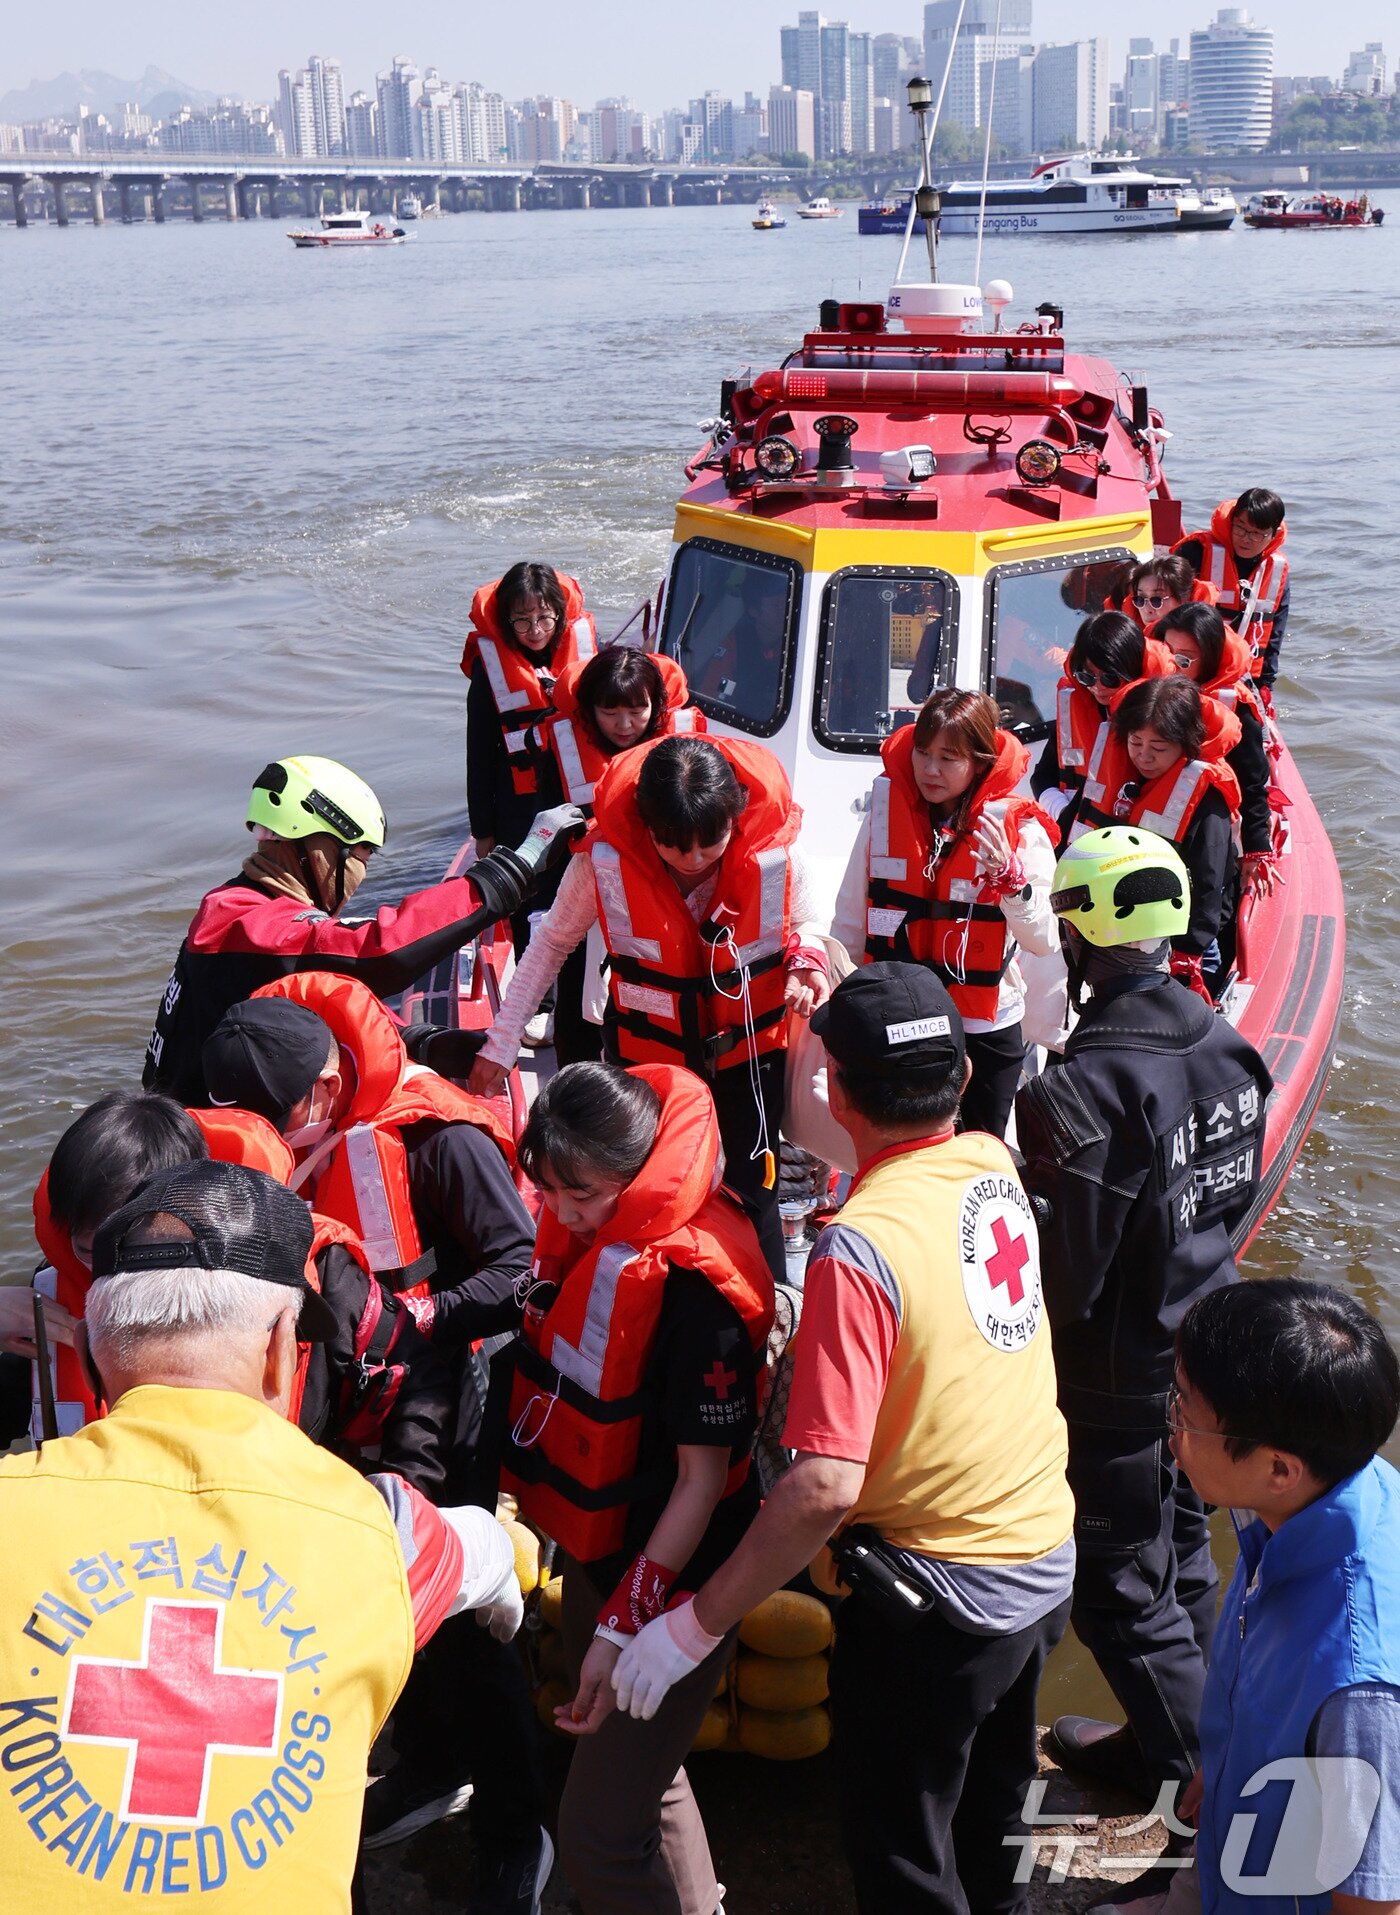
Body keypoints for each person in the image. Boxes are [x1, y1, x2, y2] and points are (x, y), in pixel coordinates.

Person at [611, 964, 1077, 1915]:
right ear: (957, 1079)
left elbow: (822, 1484)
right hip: (1045, 1558)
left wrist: (693, 1627)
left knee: (902, 1848)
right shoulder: (991, 1161)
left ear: (837, 1085)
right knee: (994, 1817)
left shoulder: (858, 1248)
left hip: (941, 1605)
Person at [0, 1159, 525, 1911]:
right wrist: (502, 1600)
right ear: (285, 1347)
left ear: (90, 1358)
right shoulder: (379, 1535)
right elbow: (487, 1552)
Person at [199, 982, 551, 1885]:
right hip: (340, 1400)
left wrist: (422, 1314)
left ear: (323, 1089)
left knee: (460, 1615)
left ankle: (516, 1831)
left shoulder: (438, 1140)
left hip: (441, 1387)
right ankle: (431, 1765)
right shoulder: (254, 1161)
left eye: (271, 1116)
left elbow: (520, 1269)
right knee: (370, 1601)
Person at [1014, 830, 1271, 1886]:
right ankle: (1167, 1739)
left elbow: (1064, 1282)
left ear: (1075, 934)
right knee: (1178, 1557)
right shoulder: (1227, 1046)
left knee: (1117, 1590)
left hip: (1113, 1381)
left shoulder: (1077, 1089)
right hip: (1200, 1353)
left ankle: (1214, 1796)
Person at [498, 1061, 774, 1915]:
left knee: (594, 1835)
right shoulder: (597, 1243)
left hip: (675, 1578)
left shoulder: (700, 1291)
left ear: (637, 1166)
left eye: (578, 1193)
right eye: (545, 1189)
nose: (560, 1213)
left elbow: (699, 1485)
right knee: (647, 1777)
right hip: (601, 1547)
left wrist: (624, 1626)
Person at [470, 734, 831, 1279]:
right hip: (649, 1070)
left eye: (710, 844)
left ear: (735, 815)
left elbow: (809, 923)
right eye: (673, 846)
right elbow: (550, 946)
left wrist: (808, 959)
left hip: (748, 1064)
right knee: (645, 1195)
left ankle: (768, 1310)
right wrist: (500, 1044)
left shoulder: (779, 856)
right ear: (645, 826)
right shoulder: (602, 863)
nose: (693, 861)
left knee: (754, 1194)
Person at [142, 752, 581, 1105]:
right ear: (317, 848)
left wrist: (430, 1045)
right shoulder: (242, 924)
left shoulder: (235, 906)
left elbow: (327, 992)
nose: (360, 877)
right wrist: (515, 869)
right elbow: (376, 952)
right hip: (199, 1155)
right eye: (359, 859)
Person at [1167, 1280, 1400, 1915]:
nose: (1172, 1431)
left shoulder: (1359, 1686)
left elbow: (1371, 1905)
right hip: (1236, 1845)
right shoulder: (1331, 1487)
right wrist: (1226, 1766)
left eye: (1185, 1414)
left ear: (1278, 1467)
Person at [831, 689, 1060, 1139]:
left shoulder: (1019, 832)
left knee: (980, 1147)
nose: (929, 769)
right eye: (922, 752)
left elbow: (1045, 939)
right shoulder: (883, 815)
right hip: (901, 1016)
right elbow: (849, 920)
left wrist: (1011, 880)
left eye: (948, 758)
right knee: (904, 1149)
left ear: (979, 761)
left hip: (985, 1026)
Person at [4, 1092, 212, 1442]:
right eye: (90, 1252)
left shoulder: (261, 1314)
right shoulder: (49, 1310)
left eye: (138, 1255)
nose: (115, 1280)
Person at [532, 647, 705, 1064]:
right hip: (586, 892)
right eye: (610, 712)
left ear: (656, 706)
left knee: (650, 1002)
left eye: (637, 710)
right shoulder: (558, 747)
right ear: (589, 708)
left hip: (657, 895)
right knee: (576, 1005)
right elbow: (548, 826)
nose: (624, 724)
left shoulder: (685, 747)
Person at [463, 563, 599, 1049]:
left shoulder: (584, 653)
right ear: (505, 623)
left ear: (562, 616)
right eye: (522, 621)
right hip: (516, 806)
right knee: (529, 903)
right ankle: (538, 1004)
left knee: (583, 893)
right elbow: (478, 751)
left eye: (545, 619)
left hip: (575, 795)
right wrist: (483, 830)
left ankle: (584, 990)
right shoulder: (489, 666)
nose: (536, 631)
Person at [1076, 677, 1241, 996]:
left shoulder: (1206, 799)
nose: (1144, 756)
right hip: (1122, 923)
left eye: (1159, 748)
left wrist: (1188, 953)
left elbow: (1209, 882)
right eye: (1135, 743)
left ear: (1187, 745)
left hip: (1181, 942)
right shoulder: (1121, 775)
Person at [1156, 602, 1278, 901]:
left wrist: (1256, 849)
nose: (1172, 667)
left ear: (1210, 660)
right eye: (1166, 653)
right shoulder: (1151, 692)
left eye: (1184, 660)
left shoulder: (1235, 708)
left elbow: (1253, 783)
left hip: (1212, 830)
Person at [1031, 612, 1176, 821]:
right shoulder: (1073, 709)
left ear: (1132, 670)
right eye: (1086, 676)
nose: (1098, 687)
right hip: (1074, 836)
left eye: (1110, 677)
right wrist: (1062, 812)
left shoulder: (1164, 715)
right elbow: (1042, 777)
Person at [1174, 490, 1289, 695]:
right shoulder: (1195, 552)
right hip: (1191, 668)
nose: (1246, 539)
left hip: (1245, 676)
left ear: (1273, 534)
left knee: (1255, 727)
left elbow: (1275, 634)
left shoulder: (1276, 570)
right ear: (1232, 522)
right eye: (1240, 529)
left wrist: (1266, 685)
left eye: (1256, 533)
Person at [1115, 555, 1218, 634]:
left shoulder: (1205, 642)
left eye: (1156, 600)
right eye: (1140, 599)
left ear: (1185, 599)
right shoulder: (1127, 637)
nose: (1147, 609)